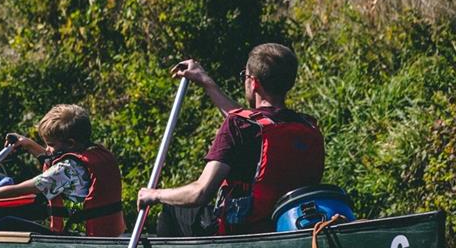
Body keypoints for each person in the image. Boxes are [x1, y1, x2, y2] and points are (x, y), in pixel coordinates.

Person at [137, 43, 325, 236]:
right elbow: (250, 120)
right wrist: (207, 83)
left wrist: (154, 194)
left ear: (253, 83)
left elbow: (200, 193)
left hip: (239, 231)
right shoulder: (306, 126)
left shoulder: (239, 126)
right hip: (287, 225)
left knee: (173, 209)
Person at [0, 104, 125, 237]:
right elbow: (52, 161)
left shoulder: (64, 170)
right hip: (105, 233)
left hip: (76, 239)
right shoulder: (95, 153)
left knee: (7, 223)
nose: (47, 149)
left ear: (71, 144)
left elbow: (17, 190)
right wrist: (28, 144)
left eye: (51, 145)